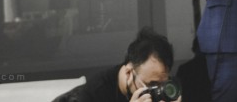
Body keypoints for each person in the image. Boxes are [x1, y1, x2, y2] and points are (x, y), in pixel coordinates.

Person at [51, 27, 180, 102]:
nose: (158, 90)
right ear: (129, 72)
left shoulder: (158, 87)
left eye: (162, 84)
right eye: (151, 85)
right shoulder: (94, 93)